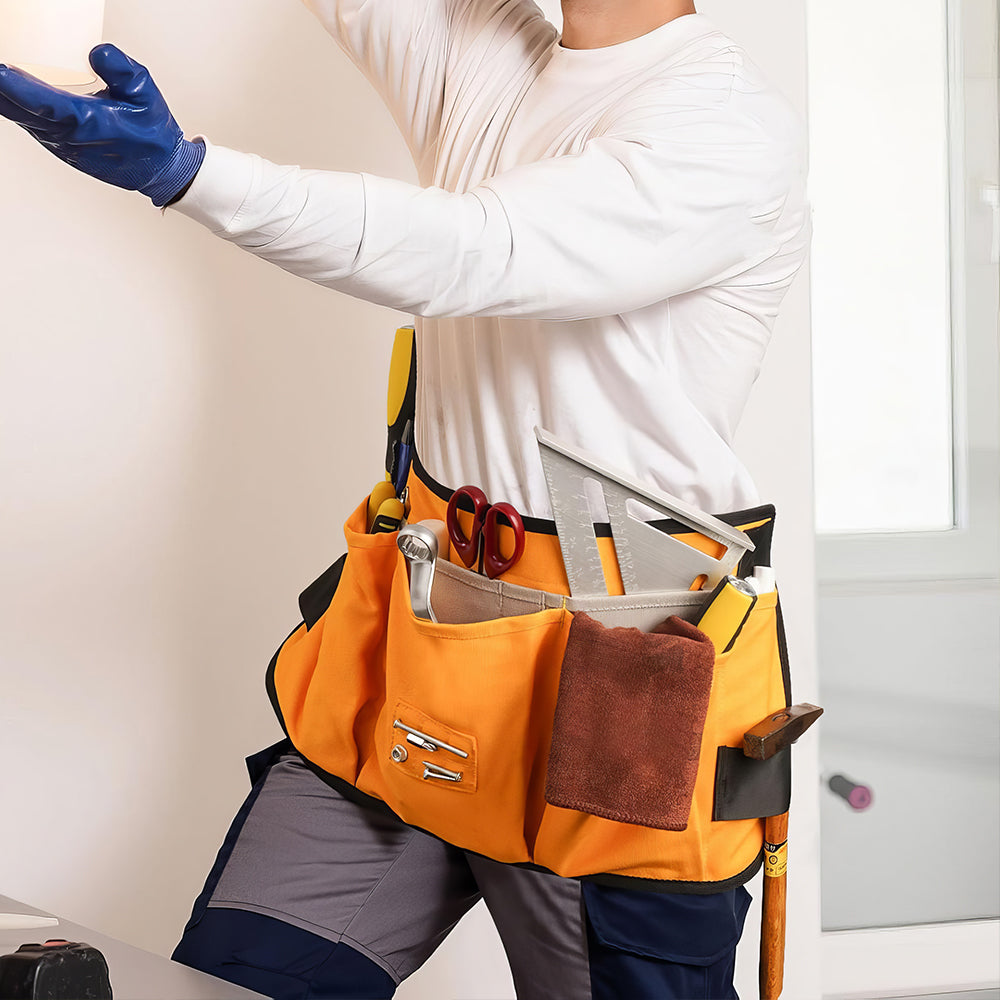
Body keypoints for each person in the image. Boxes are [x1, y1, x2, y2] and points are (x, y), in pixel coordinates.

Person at [0, 0, 810, 996]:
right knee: (239, 980)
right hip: (414, 665)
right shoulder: (493, 56)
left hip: (613, 702)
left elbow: (479, 251)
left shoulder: (722, 127)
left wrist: (189, 173)